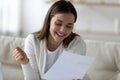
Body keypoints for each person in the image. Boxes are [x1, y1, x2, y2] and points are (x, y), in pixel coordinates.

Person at [12, 0, 86, 80]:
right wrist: (25, 63)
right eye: (58, 23)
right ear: (48, 21)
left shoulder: (77, 43)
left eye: (69, 26)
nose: (63, 30)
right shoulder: (32, 41)